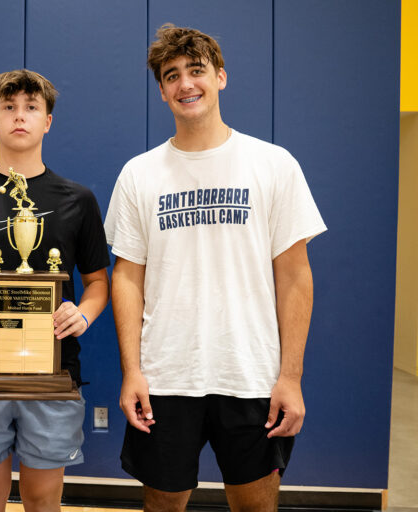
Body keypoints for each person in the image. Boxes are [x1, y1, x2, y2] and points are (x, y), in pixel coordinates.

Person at [104, 25, 327, 511]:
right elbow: (127, 277)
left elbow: (294, 277)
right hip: (165, 378)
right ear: (162, 91)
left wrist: (291, 376)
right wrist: (132, 371)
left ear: (220, 77)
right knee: (162, 506)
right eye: (172, 75)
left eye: (196, 70)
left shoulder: (273, 165)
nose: (186, 83)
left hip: (251, 377)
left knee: (255, 506)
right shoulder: (138, 174)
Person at [0, 69, 110, 512]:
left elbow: (99, 284)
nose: (19, 117)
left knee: (42, 498)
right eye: (8, 108)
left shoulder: (77, 199)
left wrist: (82, 314)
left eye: (31, 107)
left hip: (53, 374)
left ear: (48, 121)